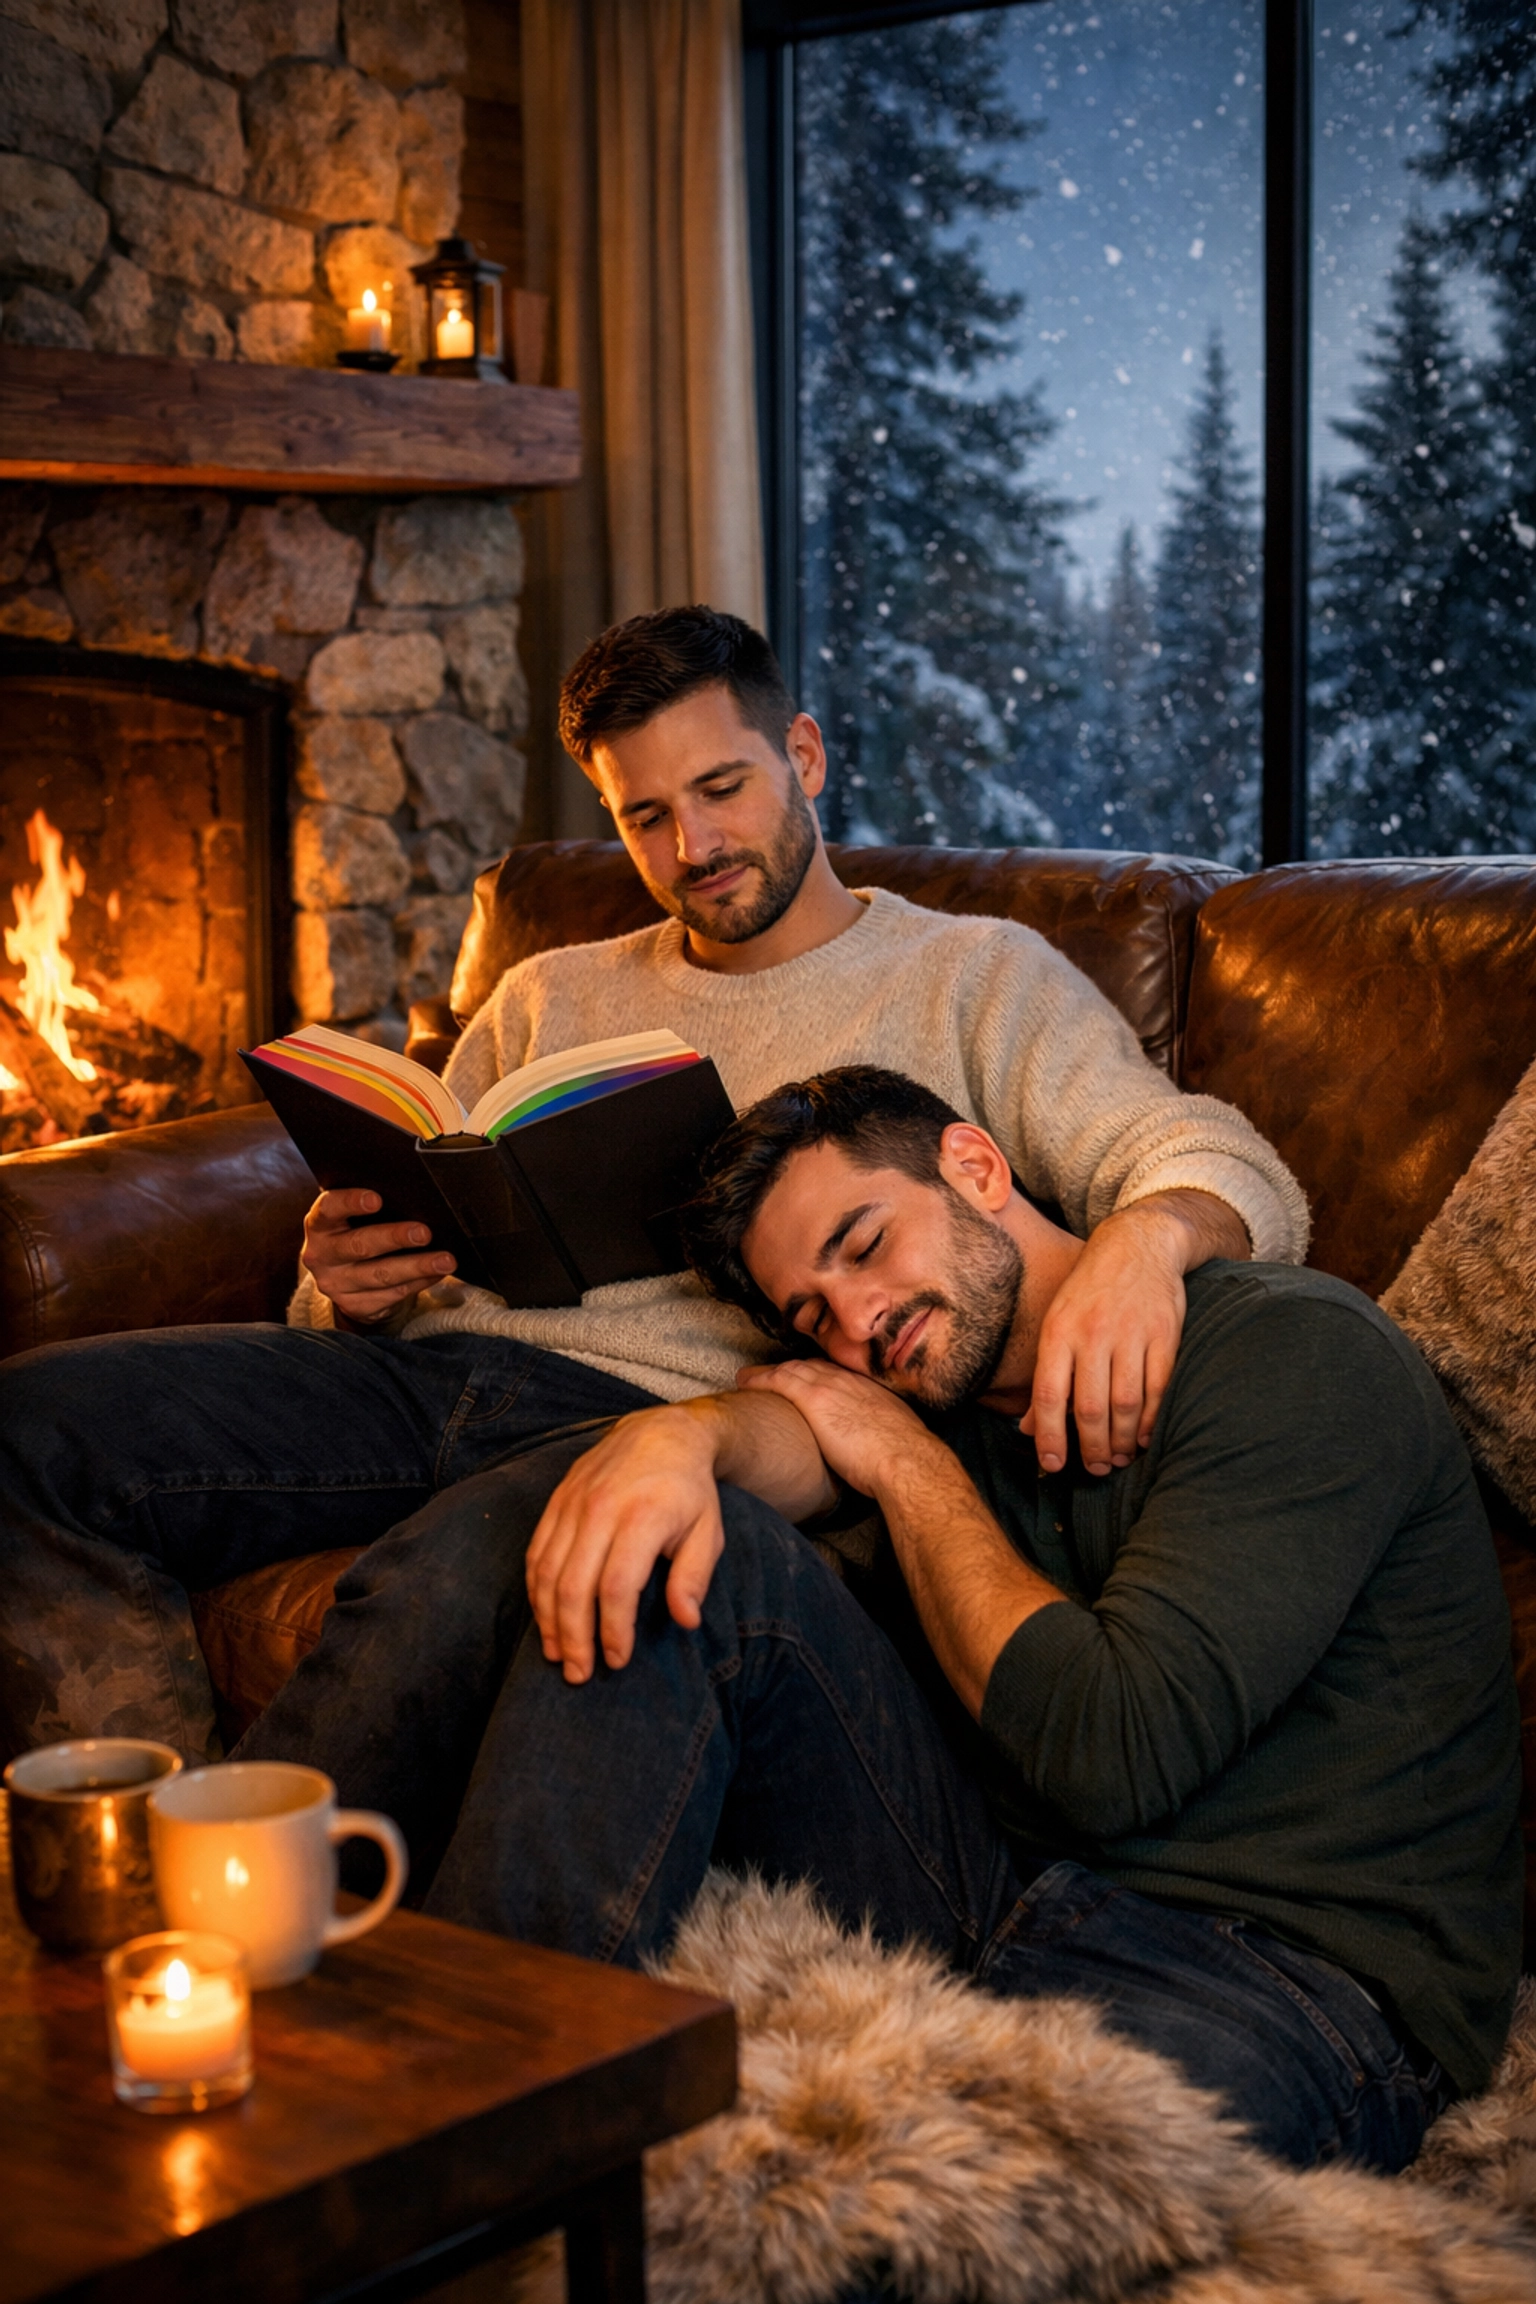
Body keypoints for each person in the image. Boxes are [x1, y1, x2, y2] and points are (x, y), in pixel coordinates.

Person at [0, 608, 1304, 1769]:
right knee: (37, 1423)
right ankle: (100, 1846)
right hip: (421, 1376)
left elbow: (1229, 1168)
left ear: (801, 757)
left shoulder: (974, 976)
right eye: (643, 817)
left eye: (723, 788)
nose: (693, 845)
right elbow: (365, 1260)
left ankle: (245, 1920)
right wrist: (340, 1283)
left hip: (661, 1418)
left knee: (447, 1580)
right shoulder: (547, 993)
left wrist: (1144, 1246)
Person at [387, 1065, 1520, 2176]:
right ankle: (455, 2099)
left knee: (944, 2221)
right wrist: (675, 1441)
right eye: (813, 1315)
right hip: (999, 1884)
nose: (861, 1321)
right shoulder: (947, 1389)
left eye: (867, 1245)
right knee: (671, 1542)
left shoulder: (1294, 1352)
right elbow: (782, 1452)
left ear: (975, 1167)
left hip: (1289, 1976)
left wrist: (902, 1463)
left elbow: (1112, 1754)